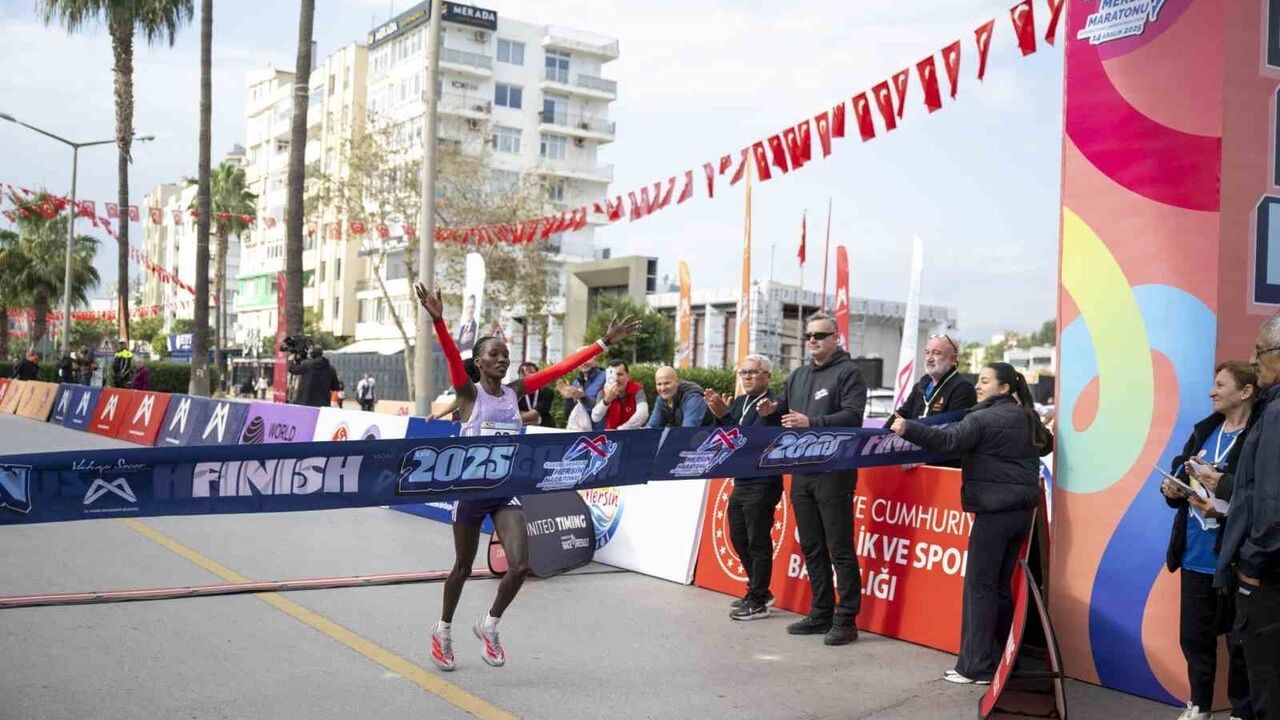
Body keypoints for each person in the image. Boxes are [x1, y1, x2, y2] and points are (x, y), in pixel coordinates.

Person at [416, 282, 637, 672]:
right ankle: (443, 629)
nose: (503, 360)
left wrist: (603, 342)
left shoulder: (514, 391)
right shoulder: (468, 394)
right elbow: (453, 358)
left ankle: (489, 624)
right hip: (470, 491)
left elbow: (560, 369)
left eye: (506, 354)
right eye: (494, 355)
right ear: (480, 363)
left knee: (519, 566)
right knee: (463, 568)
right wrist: (438, 321)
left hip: (505, 492)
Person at [891, 362, 1052, 684]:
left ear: (1004, 388)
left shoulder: (981, 418)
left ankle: (976, 666)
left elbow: (948, 443)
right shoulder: (1028, 417)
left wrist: (907, 428)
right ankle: (1004, 660)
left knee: (980, 588)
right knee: (1000, 588)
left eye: (985, 381)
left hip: (993, 515)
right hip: (1021, 515)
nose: (977, 386)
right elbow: (1046, 444)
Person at [757, 313, 868, 645]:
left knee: (839, 547)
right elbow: (785, 410)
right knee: (812, 546)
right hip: (801, 469)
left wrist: (813, 422)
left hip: (834, 471)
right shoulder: (799, 375)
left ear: (836, 338)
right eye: (809, 335)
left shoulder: (849, 373)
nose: (813, 340)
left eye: (821, 334)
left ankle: (846, 619)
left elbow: (853, 416)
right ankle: (821, 612)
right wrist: (770, 410)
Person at [1160, 362, 1258, 720]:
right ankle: (1199, 705)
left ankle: (1240, 711)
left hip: (1235, 558)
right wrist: (1171, 487)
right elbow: (1180, 468)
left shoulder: (1258, 436)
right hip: (1194, 553)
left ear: (1245, 392)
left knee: (1240, 642)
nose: (1211, 392)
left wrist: (1222, 509)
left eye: (1220, 385)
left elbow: (1256, 496)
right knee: (1194, 638)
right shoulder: (1207, 429)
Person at [1218, 315, 1280, 720]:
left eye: (1259, 352)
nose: (1254, 361)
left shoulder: (1274, 413)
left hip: (1268, 578)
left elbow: (1270, 500)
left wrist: (1254, 564)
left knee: (1267, 687)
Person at [705, 354, 783, 620]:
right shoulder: (739, 403)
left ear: (767, 376)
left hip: (764, 481)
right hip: (741, 480)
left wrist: (726, 417)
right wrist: (719, 417)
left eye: (752, 372)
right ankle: (759, 591)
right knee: (738, 538)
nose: (747, 377)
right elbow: (727, 438)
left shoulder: (774, 404)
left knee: (758, 541)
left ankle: (758, 599)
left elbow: (749, 441)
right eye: (743, 373)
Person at [890, 334, 977, 420]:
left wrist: (910, 427)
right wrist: (882, 432)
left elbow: (950, 427)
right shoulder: (920, 386)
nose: (929, 358)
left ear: (953, 359)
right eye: (927, 353)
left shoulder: (962, 388)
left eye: (936, 353)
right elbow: (901, 414)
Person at [647, 366, 712, 428]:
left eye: (667, 383)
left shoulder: (693, 398)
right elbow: (652, 427)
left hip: (708, 437)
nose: (663, 388)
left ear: (677, 382)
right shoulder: (662, 399)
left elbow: (687, 431)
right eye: (659, 384)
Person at [592, 359, 649, 429]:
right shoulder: (602, 392)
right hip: (613, 437)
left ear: (628, 376)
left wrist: (621, 430)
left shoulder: (637, 389)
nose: (616, 379)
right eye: (612, 375)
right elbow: (595, 417)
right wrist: (606, 400)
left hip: (634, 433)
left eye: (620, 374)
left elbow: (643, 414)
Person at [559, 358, 606, 429]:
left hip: (601, 431)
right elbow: (569, 414)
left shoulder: (605, 377)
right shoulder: (576, 382)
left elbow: (600, 408)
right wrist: (568, 398)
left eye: (588, 358)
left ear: (595, 360)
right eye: (580, 360)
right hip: (581, 432)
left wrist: (582, 397)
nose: (584, 363)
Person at [515, 363, 556, 428]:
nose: (527, 375)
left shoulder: (546, 391)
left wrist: (517, 418)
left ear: (537, 375)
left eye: (531, 372)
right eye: (523, 373)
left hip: (543, 429)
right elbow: (510, 413)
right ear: (519, 376)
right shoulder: (514, 393)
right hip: (520, 430)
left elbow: (535, 414)